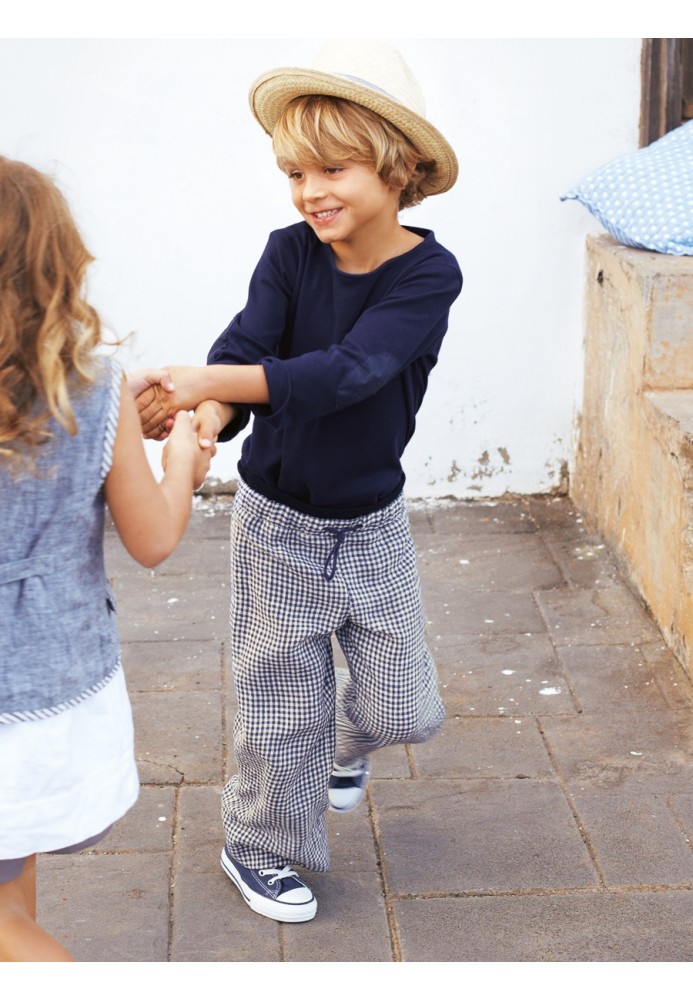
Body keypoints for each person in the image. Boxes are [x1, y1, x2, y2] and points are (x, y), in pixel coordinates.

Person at [136, 39, 462, 924]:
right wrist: (206, 416)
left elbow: (348, 372)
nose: (310, 190)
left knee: (406, 708)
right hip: (278, 521)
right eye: (293, 173)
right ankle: (259, 847)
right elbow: (249, 349)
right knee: (281, 702)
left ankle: (339, 749)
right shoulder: (287, 253)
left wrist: (205, 384)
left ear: (399, 169)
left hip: (372, 520)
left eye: (332, 168)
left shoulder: (428, 275)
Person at [0, 157, 212, 961]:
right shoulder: (98, 389)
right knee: (7, 892)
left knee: (5, 921)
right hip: (55, 697)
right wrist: (182, 460)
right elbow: (153, 540)